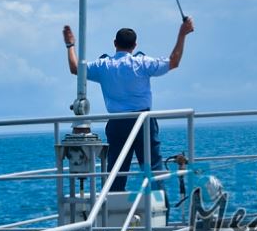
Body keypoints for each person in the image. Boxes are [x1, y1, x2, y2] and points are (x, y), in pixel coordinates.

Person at [62, 18, 194, 191]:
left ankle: (113, 214)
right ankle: (160, 213)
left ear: (115, 43)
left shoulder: (103, 66)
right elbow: (174, 61)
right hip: (143, 122)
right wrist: (182, 33)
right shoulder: (142, 63)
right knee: (153, 173)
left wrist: (70, 45)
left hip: (118, 123)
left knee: (116, 174)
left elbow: (75, 68)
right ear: (135, 45)